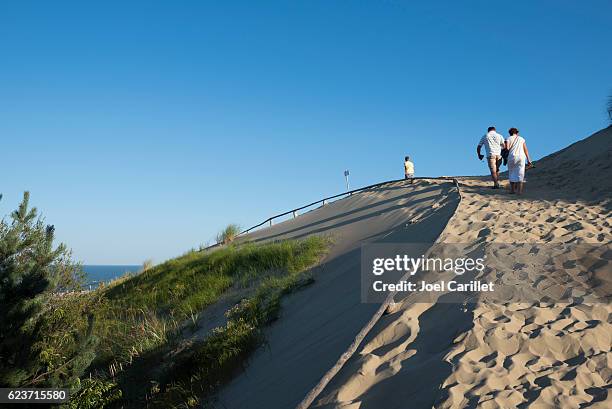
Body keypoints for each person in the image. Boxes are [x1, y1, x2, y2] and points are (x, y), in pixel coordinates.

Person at [505, 128, 532, 194]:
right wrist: (529, 159)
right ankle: (519, 191)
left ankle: (512, 190)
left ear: (510, 133)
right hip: (521, 157)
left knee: (511, 172)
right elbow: (526, 150)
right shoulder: (521, 139)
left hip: (512, 157)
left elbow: (507, 148)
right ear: (517, 132)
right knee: (520, 173)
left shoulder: (508, 138)